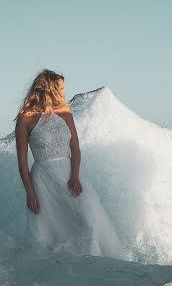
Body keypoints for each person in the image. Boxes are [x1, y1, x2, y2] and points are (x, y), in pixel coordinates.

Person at [14, 69, 131, 259]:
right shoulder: (25, 118)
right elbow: (21, 162)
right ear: (48, 89)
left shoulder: (65, 112)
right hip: (43, 181)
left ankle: (95, 262)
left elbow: (76, 148)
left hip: (69, 175)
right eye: (59, 88)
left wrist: (75, 176)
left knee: (88, 218)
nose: (63, 92)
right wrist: (30, 193)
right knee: (51, 231)